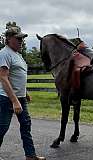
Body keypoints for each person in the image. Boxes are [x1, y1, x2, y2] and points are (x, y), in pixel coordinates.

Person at [0, 25, 46, 160]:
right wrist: (14, 101)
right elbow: (3, 77)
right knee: (2, 128)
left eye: (22, 39)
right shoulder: (4, 54)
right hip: (6, 98)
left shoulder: (18, 55)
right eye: (18, 39)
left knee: (26, 125)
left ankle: (30, 156)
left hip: (20, 97)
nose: (21, 41)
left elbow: (17, 76)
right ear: (8, 39)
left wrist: (24, 92)